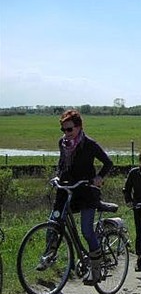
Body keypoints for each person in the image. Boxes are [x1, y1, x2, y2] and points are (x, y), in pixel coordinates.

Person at [39, 109, 113, 285]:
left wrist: (99, 178)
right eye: (63, 130)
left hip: (86, 191)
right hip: (66, 189)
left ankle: (95, 269)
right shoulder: (62, 143)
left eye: (69, 129)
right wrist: (58, 176)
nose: (66, 133)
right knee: (53, 223)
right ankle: (49, 257)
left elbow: (108, 163)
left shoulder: (89, 145)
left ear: (79, 127)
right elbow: (62, 164)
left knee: (86, 230)